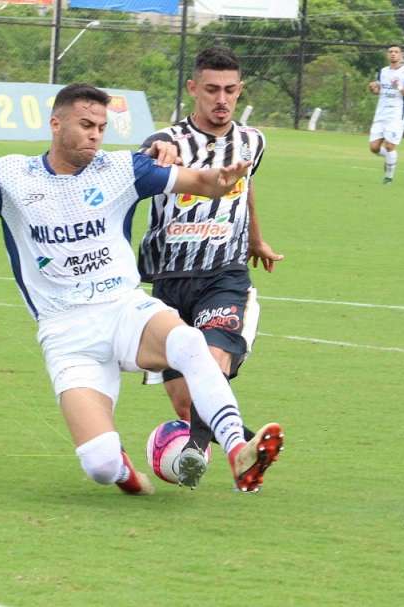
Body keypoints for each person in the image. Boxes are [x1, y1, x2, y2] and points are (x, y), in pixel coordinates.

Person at [0, 83, 285, 497]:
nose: (95, 135)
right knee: (99, 465)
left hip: (124, 310)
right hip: (66, 333)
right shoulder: (8, 175)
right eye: (86, 124)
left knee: (190, 343)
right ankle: (123, 470)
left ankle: (237, 450)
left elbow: (202, 183)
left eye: (102, 127)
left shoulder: (122, 169)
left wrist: (221, 179)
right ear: (55, 123)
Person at [138, 47, 284, 489]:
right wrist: (155, 151)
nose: (222, 99)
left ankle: (212, 452)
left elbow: (247, 184)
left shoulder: (252, 141)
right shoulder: (168, 142)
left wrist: (255, 238)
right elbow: (142, 161)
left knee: (213, 360)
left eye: (231, 90)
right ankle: (234, 443)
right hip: (167, 281)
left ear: (240, 91)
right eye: (212, 90)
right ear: (193, 89)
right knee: (185, 404)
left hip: (224, 274)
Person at [367, 44, 404, 184]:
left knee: (389, 145)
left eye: (396, 52)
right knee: (374, 148)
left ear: (401, 55)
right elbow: (379, 91)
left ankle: (388, 176)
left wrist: (400, 87)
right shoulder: (383, 71)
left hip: (396, 115)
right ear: (387, 55)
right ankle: (390, 158)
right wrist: (372, 88)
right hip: (380, 114)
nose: (393, 54)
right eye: (390, 52)